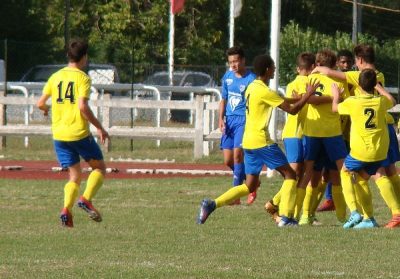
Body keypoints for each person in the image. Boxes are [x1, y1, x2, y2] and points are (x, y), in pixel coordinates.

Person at [197, 54, 319, 226]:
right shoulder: (264, 90)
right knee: (291, 174)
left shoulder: (252, 86)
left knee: (250, 186)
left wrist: (300, 97)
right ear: (268, 70)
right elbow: (292, 110)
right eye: (273, 67)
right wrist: (308, 95)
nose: (275, 70)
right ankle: (286, 218)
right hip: (261, 141)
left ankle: (211, 204)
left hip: (248, 141)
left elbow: (281, 100)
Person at [313, 44, 400, 228]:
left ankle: (390, 214)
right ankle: (385, 215)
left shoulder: (357, 78)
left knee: (379, 173)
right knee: (388, 172)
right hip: (385, 129)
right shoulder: (379, 76)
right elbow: (391, 100)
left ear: (359, 60)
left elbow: (331, 74)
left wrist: (318, 68)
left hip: (372, 134)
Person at [37, 38, 110, 228]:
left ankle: (66, 210)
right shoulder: (83, 78)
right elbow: (82, 107)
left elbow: (40, 103)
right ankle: (86, 199)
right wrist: (100, 128)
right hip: (78, 133)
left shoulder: (55, 76)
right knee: (99, 168)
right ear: (84, 57)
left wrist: (46, 109)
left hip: (59, 135)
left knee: (74, 176)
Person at [332, 69, 399, 228]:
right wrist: (380, 88)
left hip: (361, 151)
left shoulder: (353, 102)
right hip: (380, 152)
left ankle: (354, 211)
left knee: (345, 172)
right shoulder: (380, 101)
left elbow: (335, 109)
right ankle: (369, 219)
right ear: (374, 85)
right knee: (361, 179)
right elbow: (393, 101)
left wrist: (336, 95)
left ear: (358, 85)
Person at [296, 49, 349, 225]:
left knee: (312, 174)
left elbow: (309, 99)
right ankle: (342, 217)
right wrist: (332, 98)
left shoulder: (311, 78)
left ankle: (306, 214)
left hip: (314, 133)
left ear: (317, 64)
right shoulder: (337, 80)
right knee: (339, 174)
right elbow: (341, 102)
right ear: (334, 65)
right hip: (332, 133)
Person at [264, 52, 316, 223]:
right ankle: (280, 208)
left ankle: (279, 205)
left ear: (297, 68)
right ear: (313, 68)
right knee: (293, 175)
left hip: (292, 133)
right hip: (297, 133)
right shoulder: (308, 83)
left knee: (297, 174)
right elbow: (302, 103)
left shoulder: (292, 83)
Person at [317, 49, 354, 212]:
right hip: (331, 130)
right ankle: (330, 199)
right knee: (327, 169)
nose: (345, 65)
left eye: (348, 62)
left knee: (342, 169)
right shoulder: (332, 80)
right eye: (342, 62)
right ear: (337, 63)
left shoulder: (354, 78)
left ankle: (344, 202)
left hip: (346, 131)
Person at [219, 46, 257, 205]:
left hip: (243, 121)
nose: (233, 65)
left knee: (237, 156)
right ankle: (251, 184)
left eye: (235, 61)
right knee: (228, 161)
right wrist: (220, 118)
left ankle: (235, 197)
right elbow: (223, 99)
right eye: (230, 62)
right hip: (229, 122)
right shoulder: (227, 77)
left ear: (243, 61)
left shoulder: (251, 79)